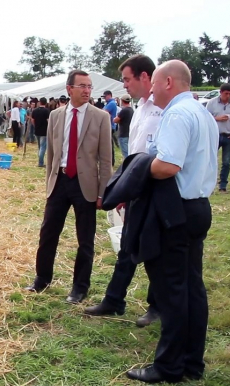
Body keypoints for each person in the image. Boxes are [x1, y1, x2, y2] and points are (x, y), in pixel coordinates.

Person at [126, 60, 218, 384]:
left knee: (172, 291)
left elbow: (168, 166)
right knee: (192, 287)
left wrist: (137, 169)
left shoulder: (177, 114)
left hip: (176, 210)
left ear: (167, 82)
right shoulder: (203, 113)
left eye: (155, 83)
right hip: (198, 207)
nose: (150, 89)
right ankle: (192, 362)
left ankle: (169, 366)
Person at [84, 55, 162, 327]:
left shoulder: (164, 107)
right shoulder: (140, 107)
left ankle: (157, 305)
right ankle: (114, 299)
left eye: (127, 79)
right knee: (128, 244)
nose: (124, 85)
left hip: (157, 184)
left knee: (155, 248)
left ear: (144, 77)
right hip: (137, 183)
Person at [24, 70, 113, 303]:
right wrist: (49, 185)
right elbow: (52, 154)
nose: (86, 90)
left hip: (86, 186)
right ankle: (42, 278)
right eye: (82, 86)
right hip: (60, 181)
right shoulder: (55, 116)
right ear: (69, 89)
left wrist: (104, 193)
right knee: (48, 233)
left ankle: (80, 288)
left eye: (89, 86)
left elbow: (106, 160)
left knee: (85, 239)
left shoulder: (101, 117)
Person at [205, 83, 230, 193]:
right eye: (226, 93)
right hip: (215, 135)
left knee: (226, 162)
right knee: (210, 160)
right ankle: (208, 183)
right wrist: (217, 118)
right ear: (221, 92)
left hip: (229, 135)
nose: (228, 96)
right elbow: (206, 118)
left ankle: (223, 184)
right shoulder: (211, 103)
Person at [31, 97, 50, 167]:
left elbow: (32, 120)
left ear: (40, 102)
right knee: (43, 147)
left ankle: (40, 160)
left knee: (39, 146)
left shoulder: (35, 111)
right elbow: (48, 121)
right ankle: (40, 162)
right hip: (44, 131)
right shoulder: (47, 111)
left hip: (37, 130)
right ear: (46, 103)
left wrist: (35, 125)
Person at [113, 94, 134, 159]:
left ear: (122, 101)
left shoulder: (124, 110)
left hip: (123, 134)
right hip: (129, 133)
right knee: (129, 151)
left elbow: (115, 120)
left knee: (125, 153)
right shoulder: (131, 110)